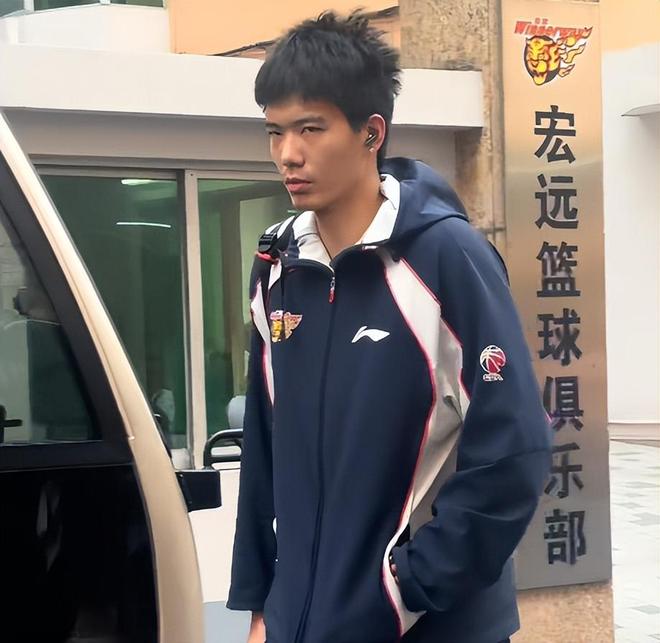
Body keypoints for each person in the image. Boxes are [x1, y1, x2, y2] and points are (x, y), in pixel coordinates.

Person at [227, 11, 552, 643]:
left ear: (371, 132)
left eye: (311, 128)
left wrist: (409, 587)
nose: (288, 153)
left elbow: (516, 445)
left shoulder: (445, 256)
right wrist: (262, 601)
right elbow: (264, 442)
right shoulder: (276, 266)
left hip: (427, 624)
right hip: (302, 622)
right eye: (275, 132)